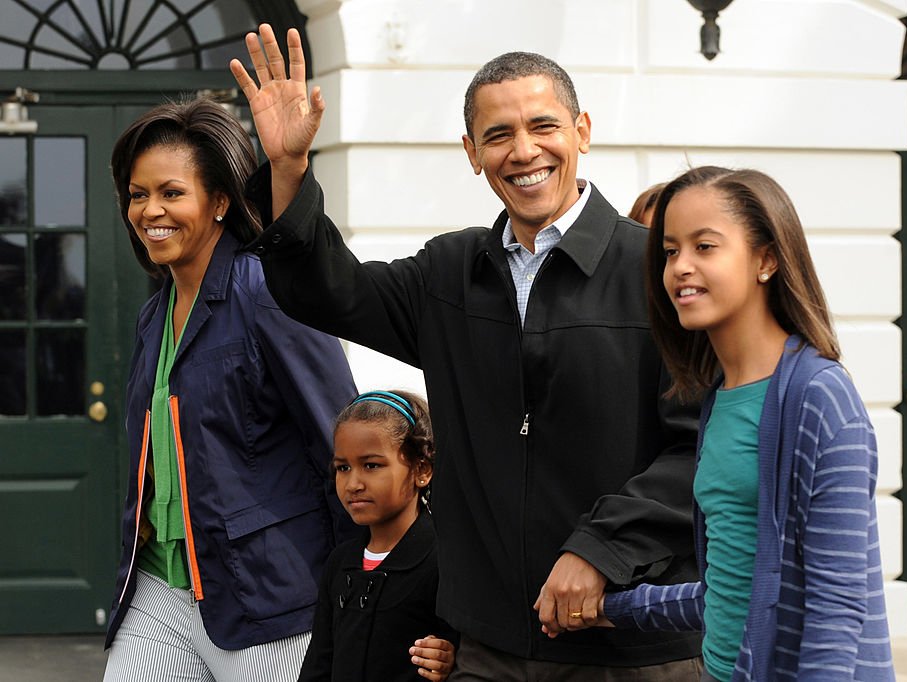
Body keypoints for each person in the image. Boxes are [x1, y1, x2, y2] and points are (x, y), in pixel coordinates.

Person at [230, 24, 703, 680]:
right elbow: (329, 293)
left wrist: (600, 552)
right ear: (471, 152)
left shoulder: (655, 272)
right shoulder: (447, 272)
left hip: (627, 644)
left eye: (544, 126)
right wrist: (288, 168)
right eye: (498, 135)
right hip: (488, 649)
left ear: (582, 131)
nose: (524, 150)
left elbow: (699, 449)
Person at [580, 166, 896, 681]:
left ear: (766, 259)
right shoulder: (718, 399)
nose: (680, 266)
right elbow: (733, 590)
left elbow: (836, 608)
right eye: (670, 251)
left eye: (705, 247)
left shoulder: (818, 396)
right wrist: (611, 608)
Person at [103, 99, 358, 682]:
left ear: (218, 201)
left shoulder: (266, 290)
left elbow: (340, 444)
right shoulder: (154, 316)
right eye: (138, 195)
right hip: (160, 590)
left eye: (171, 192)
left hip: (269, 601)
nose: (150, 211)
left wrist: (362, 589)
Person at [299, 389, 457, 681]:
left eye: (371, 465)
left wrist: (451, 659)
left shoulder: (445, 560)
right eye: (343, 468)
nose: (353, 483)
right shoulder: (340, 562)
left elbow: (472, 653)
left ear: (422, 470)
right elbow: (318, 664)